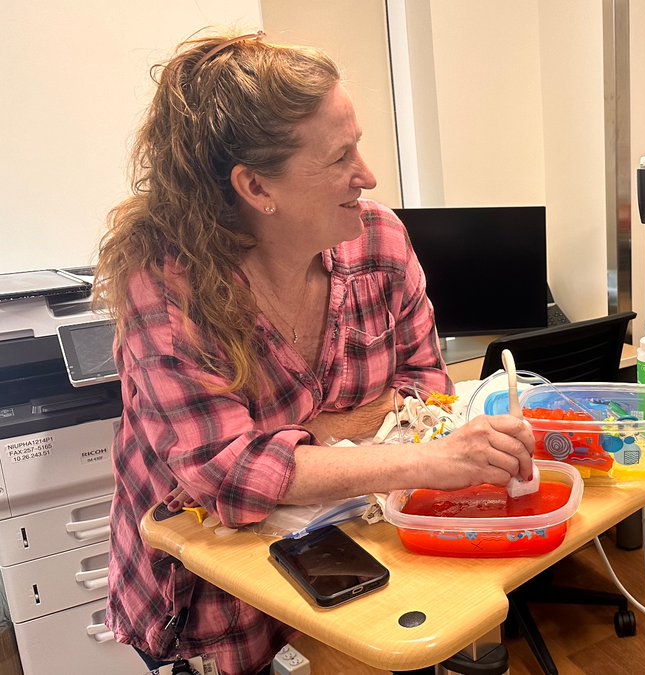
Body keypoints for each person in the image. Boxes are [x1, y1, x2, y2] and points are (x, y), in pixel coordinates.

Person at [93, 31, 535, 674]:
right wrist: (422, 457)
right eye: (339, 157)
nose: (368, 175)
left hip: (360, 553)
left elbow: (427, 389)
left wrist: (293, 443)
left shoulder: (378, 240)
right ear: (255, 186)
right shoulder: (167, 287)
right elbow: (227, 477)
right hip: (218, 597)